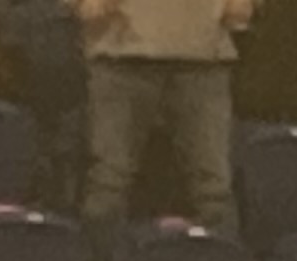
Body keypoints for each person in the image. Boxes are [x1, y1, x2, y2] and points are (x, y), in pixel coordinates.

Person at [79, 0, 248, 234]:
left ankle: (220, 257)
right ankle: (98, 256)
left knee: (213, 189)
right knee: (108, 183)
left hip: (203, 55)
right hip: (120, 54)